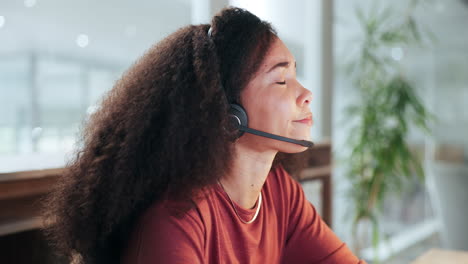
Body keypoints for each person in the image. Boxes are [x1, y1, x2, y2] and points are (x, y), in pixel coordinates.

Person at [43, 7, 366, 264]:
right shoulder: (175, 219)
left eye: (295, 74)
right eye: (281, 80)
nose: (306, 93)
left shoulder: (278, 191)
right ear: (227, 112)